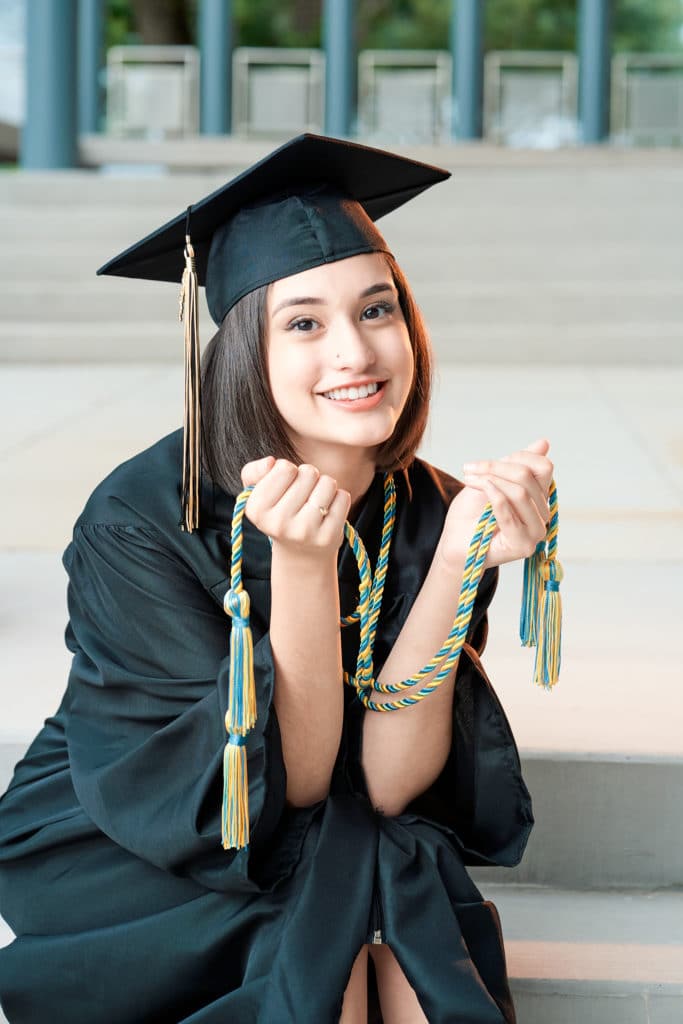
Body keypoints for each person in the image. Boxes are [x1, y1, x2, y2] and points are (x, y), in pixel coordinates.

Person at [0, 134, 552, 1023]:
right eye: (304, 323)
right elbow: (275, 792)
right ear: (241, 349)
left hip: (331, 816)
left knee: (372, 866)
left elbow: (386, 784)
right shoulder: (138, 522)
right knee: (368, 891)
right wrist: (299, 563)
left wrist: (456, 563)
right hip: (141, 833)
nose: (355, 353)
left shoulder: (432, 506)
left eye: (377, 310)